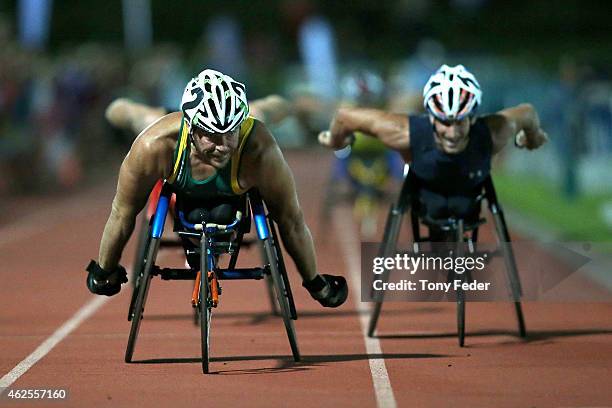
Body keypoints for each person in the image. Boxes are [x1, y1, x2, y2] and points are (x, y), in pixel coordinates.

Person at [86, 69, 348, 308]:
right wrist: (104, 269)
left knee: (262, 111)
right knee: (144, 117)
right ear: (192, 128)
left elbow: (291, 219)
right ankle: (117, 106)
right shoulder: (154, 145)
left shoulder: (258, 147)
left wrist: (315, 283)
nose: (222, 146)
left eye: (230, 133)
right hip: (171, 148)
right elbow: (122, 212)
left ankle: (289, 104)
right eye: (211, 135)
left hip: (234, 184)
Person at [319, 64, 548, 228]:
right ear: (430, 118)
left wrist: (534, 138)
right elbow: (344, 116)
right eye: (445, 122)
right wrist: (335, 141)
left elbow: (528, 113)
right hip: (426, 199)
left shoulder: (494, 131)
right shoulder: (403, 131)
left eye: (460, 122)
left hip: (468, 201)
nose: (453, 132)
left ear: (473, 118)